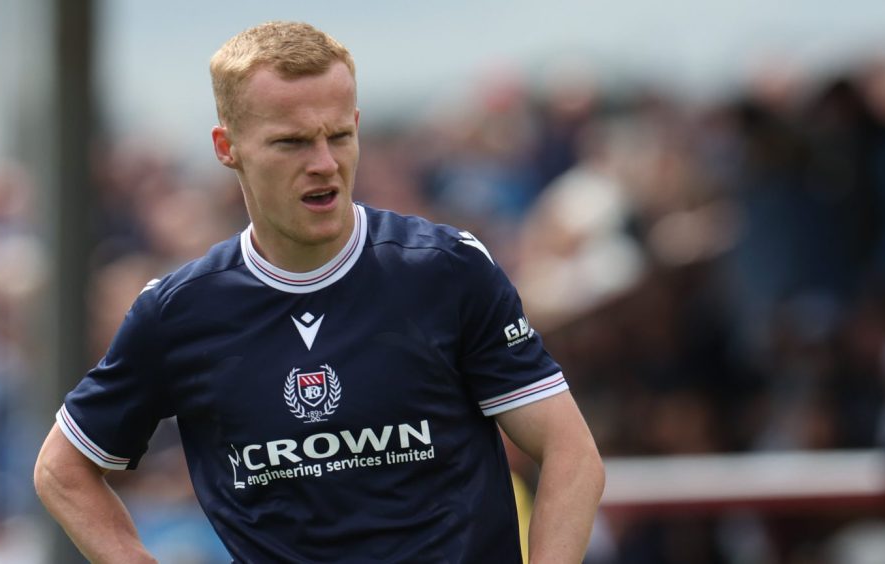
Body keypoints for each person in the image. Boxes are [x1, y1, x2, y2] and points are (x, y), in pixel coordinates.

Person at [33, 21, 604, 563]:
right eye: (293, 143)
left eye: (340, 135)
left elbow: (571, 455)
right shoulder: (179, 313)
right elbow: (62, 470)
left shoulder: (446, 271)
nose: (325, 164)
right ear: (226, 147)